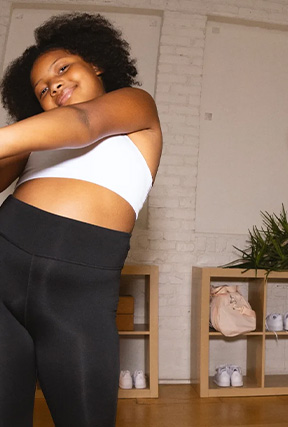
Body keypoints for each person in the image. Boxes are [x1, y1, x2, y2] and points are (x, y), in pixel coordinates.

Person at [0, 12, 162, 427]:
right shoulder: (35, 139)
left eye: (62, 68)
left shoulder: (135, 107)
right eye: (41, 89)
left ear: (96, 63)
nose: (52, 85)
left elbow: (84, 124)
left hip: (78, 297)